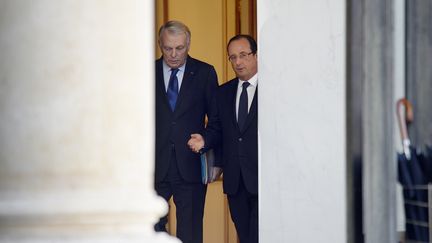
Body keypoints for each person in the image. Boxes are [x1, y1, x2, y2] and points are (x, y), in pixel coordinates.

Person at [188, 34, 258, 243]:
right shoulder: (223, 93)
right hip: (236, 181)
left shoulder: (274, 90)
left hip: (264, 178)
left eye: (243, 55)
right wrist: (204, 140)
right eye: (233, 57)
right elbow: (217, 128)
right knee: (245, 237)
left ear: (256, 55)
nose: (238, 62)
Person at [154, 20, 218, 243]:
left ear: (188, 45)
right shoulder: (145, 73)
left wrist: (205, 139)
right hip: (153, 168)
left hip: (189, 167)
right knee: (148, 232)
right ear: (160, 44)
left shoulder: (205, 73)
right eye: (167, 48)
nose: (173, 54)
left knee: (190, 234)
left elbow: (217, 122)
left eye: (179, 48)